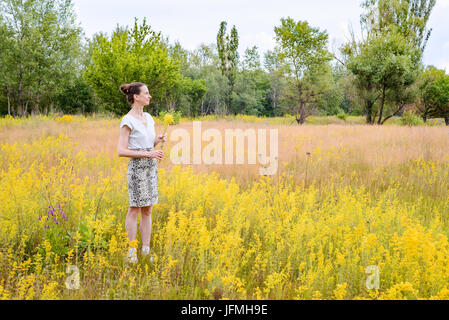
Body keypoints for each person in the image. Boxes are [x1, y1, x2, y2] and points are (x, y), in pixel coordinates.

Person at [117, 82, 167, 263]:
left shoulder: (149, 117)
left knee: (148, 209)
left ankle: (145, 251)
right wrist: (149, 153)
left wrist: (157, 141)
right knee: (134, 209)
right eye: (146, 93)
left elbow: (146, 144)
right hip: (137, 169)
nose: (150, 96)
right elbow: (122, 151)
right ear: (136, 97)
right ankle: (132, 253)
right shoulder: (127, 120)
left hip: (151, 167)